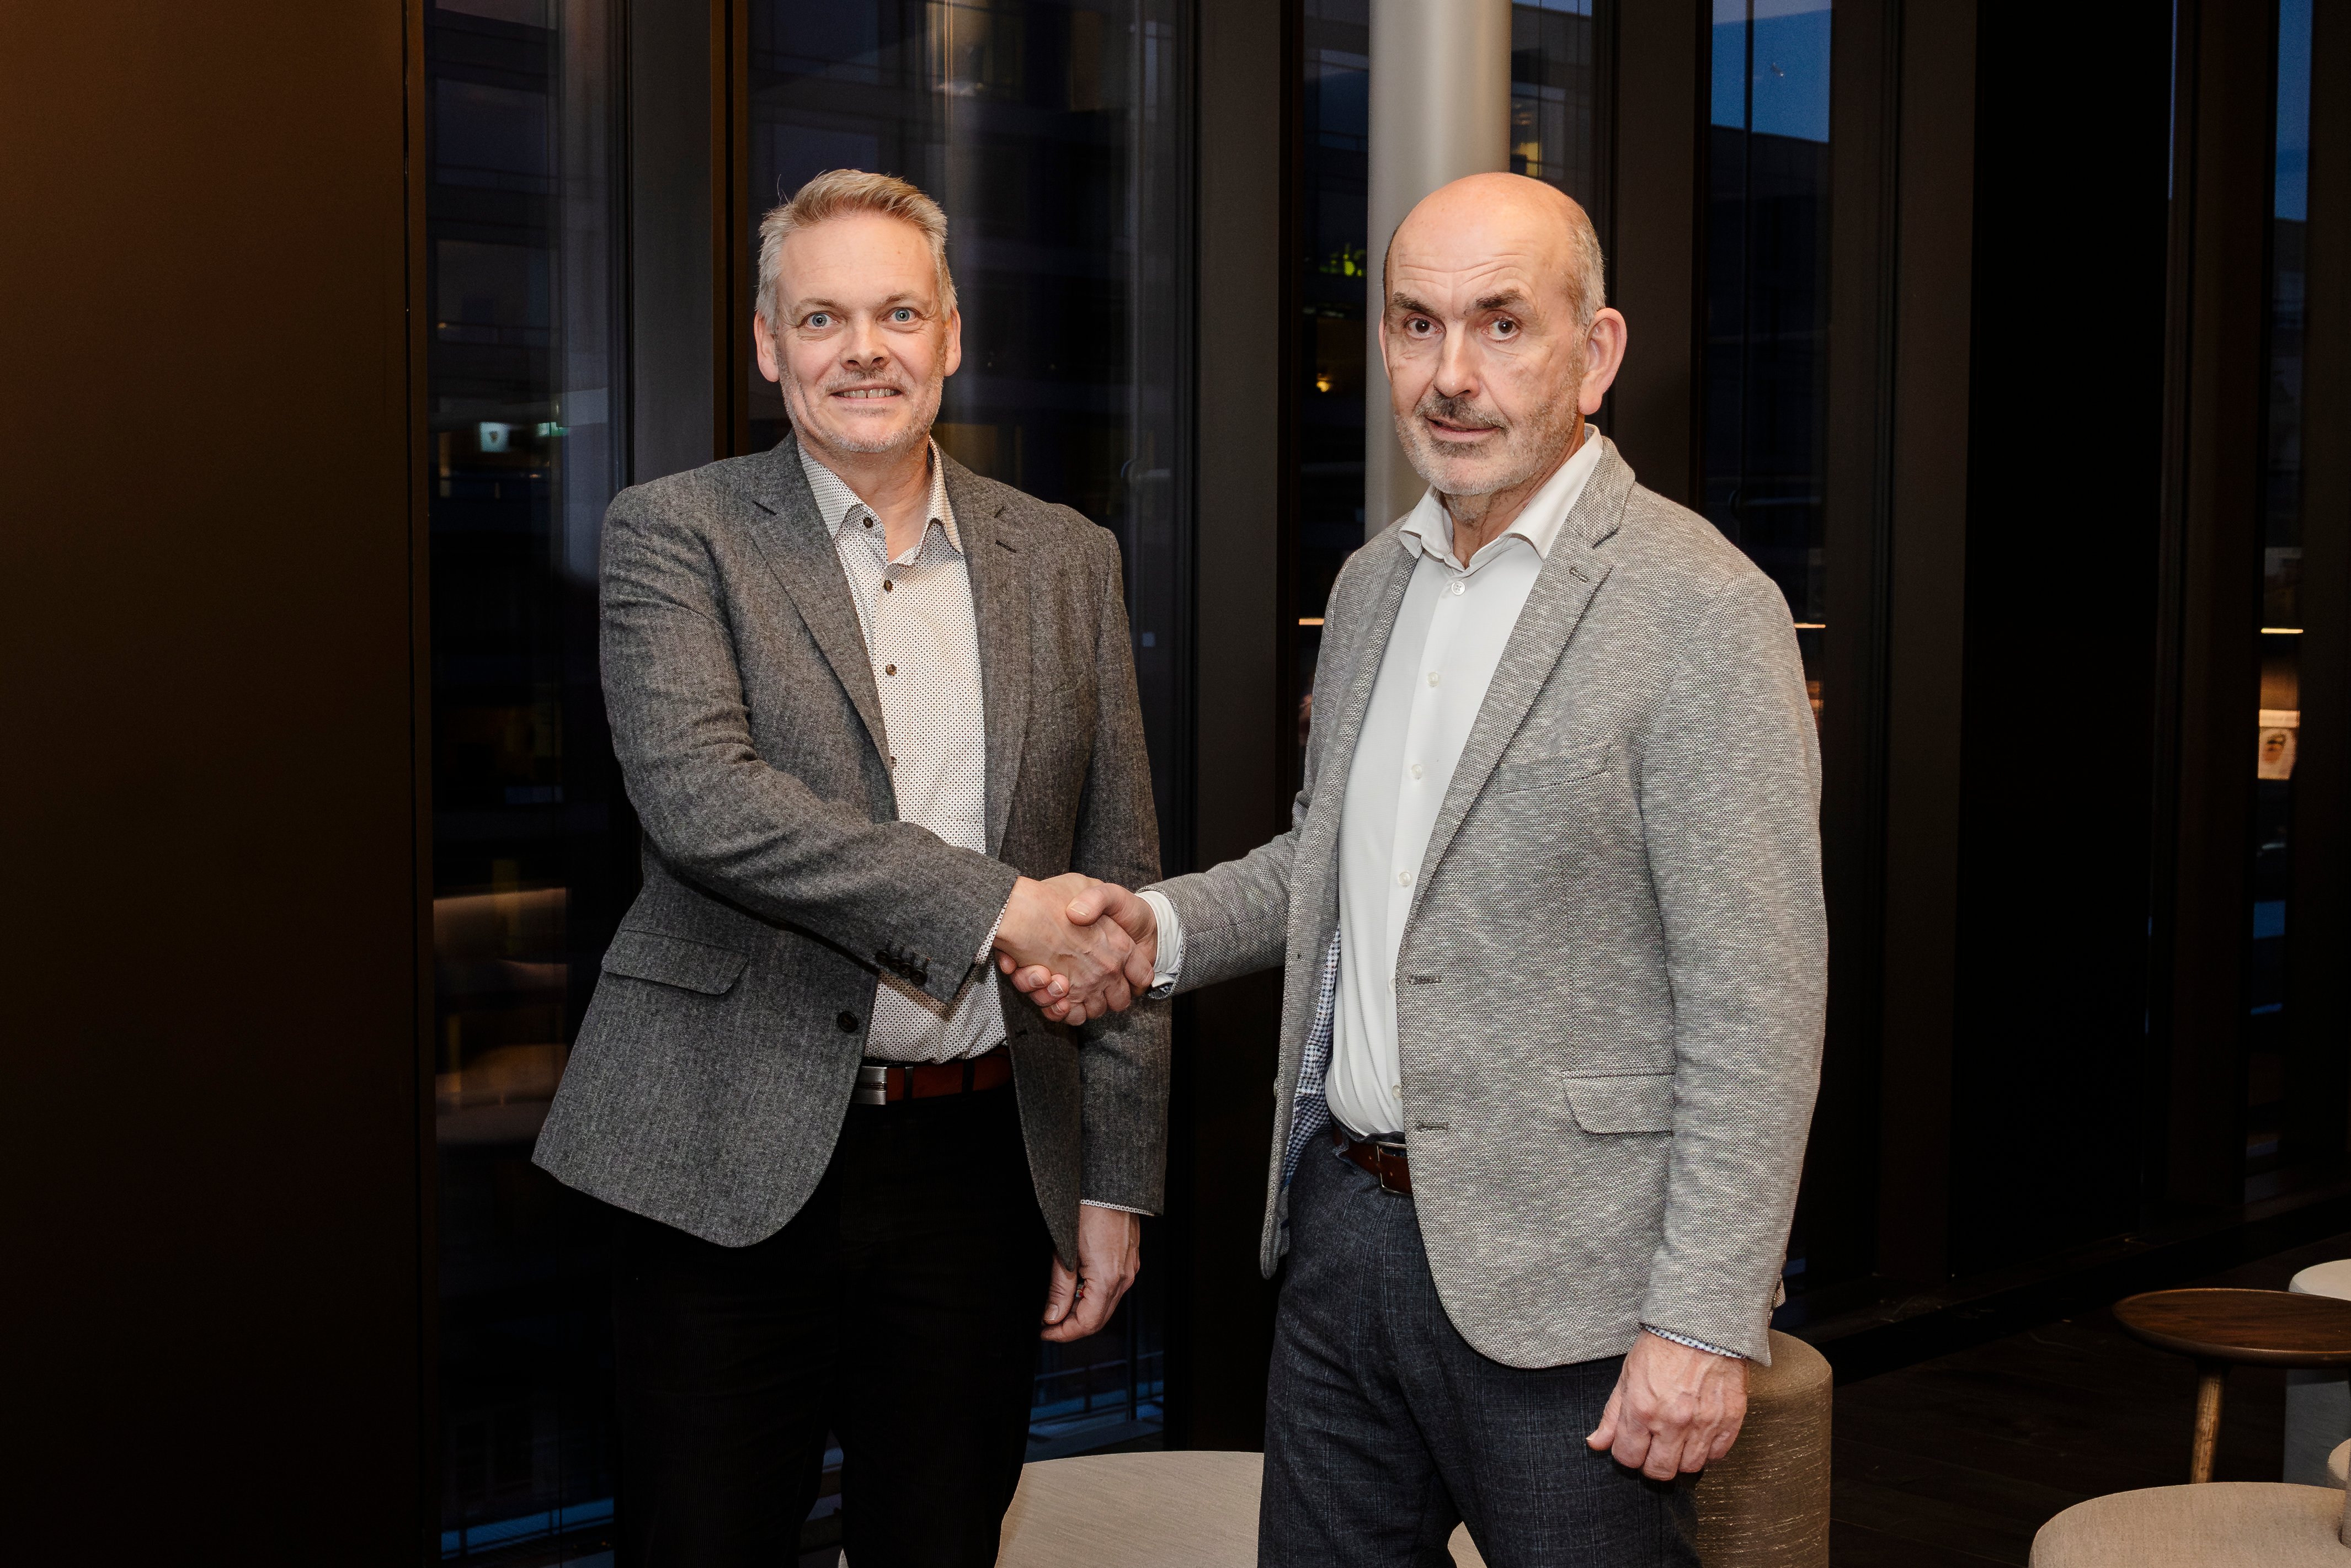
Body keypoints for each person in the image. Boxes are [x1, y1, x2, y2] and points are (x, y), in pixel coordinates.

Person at [1010, 172, 1826, 1565]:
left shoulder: (1703, 607)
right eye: (1415, 324)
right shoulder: (1373, 584)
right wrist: (1150, 927)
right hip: (1342, 1236)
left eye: (1502, 323)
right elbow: (1330, 864)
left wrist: (1699, 1319)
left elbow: (1759, 1003)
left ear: (1596, 351)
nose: (1452, 374)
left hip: (1574, 1291)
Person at [534, 168, 1168, 1568]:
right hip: (717, 1143)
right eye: (822, 318)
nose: (863, 349)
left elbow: (1119, 877)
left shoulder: (1068, 559)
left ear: (952, 334)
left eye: (898, 313)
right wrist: (997, 905)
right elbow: (708, 805)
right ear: (770, 345)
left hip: (980, 1164)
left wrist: (1113, 1177)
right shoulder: (674, 529)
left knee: (939, 1541)